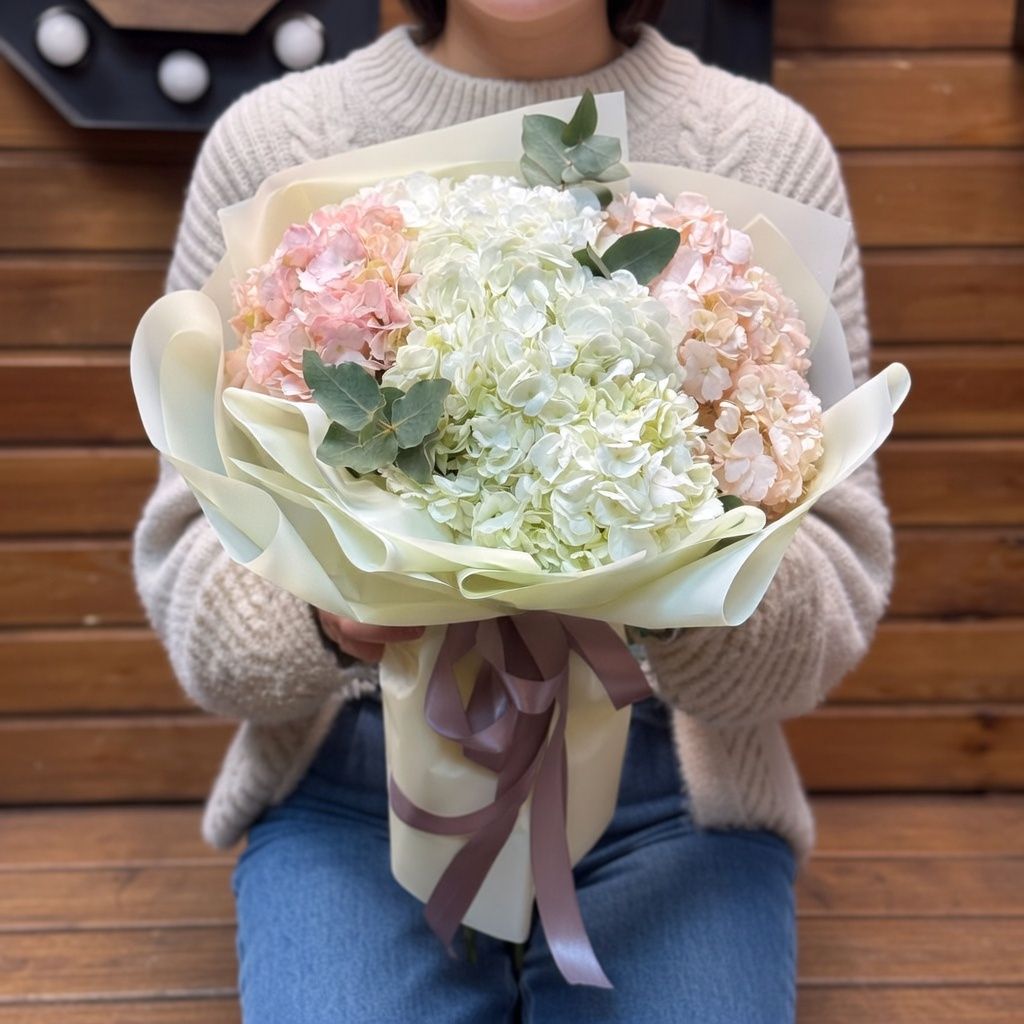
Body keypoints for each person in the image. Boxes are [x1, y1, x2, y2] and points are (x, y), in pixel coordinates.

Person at [133, 1, 894, 1020]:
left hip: (671, 792)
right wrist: (328, 608)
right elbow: (188, 564)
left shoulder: (760, 148)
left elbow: (836, 588)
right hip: (356, 783)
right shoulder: (276, 144)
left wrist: (677, 569)